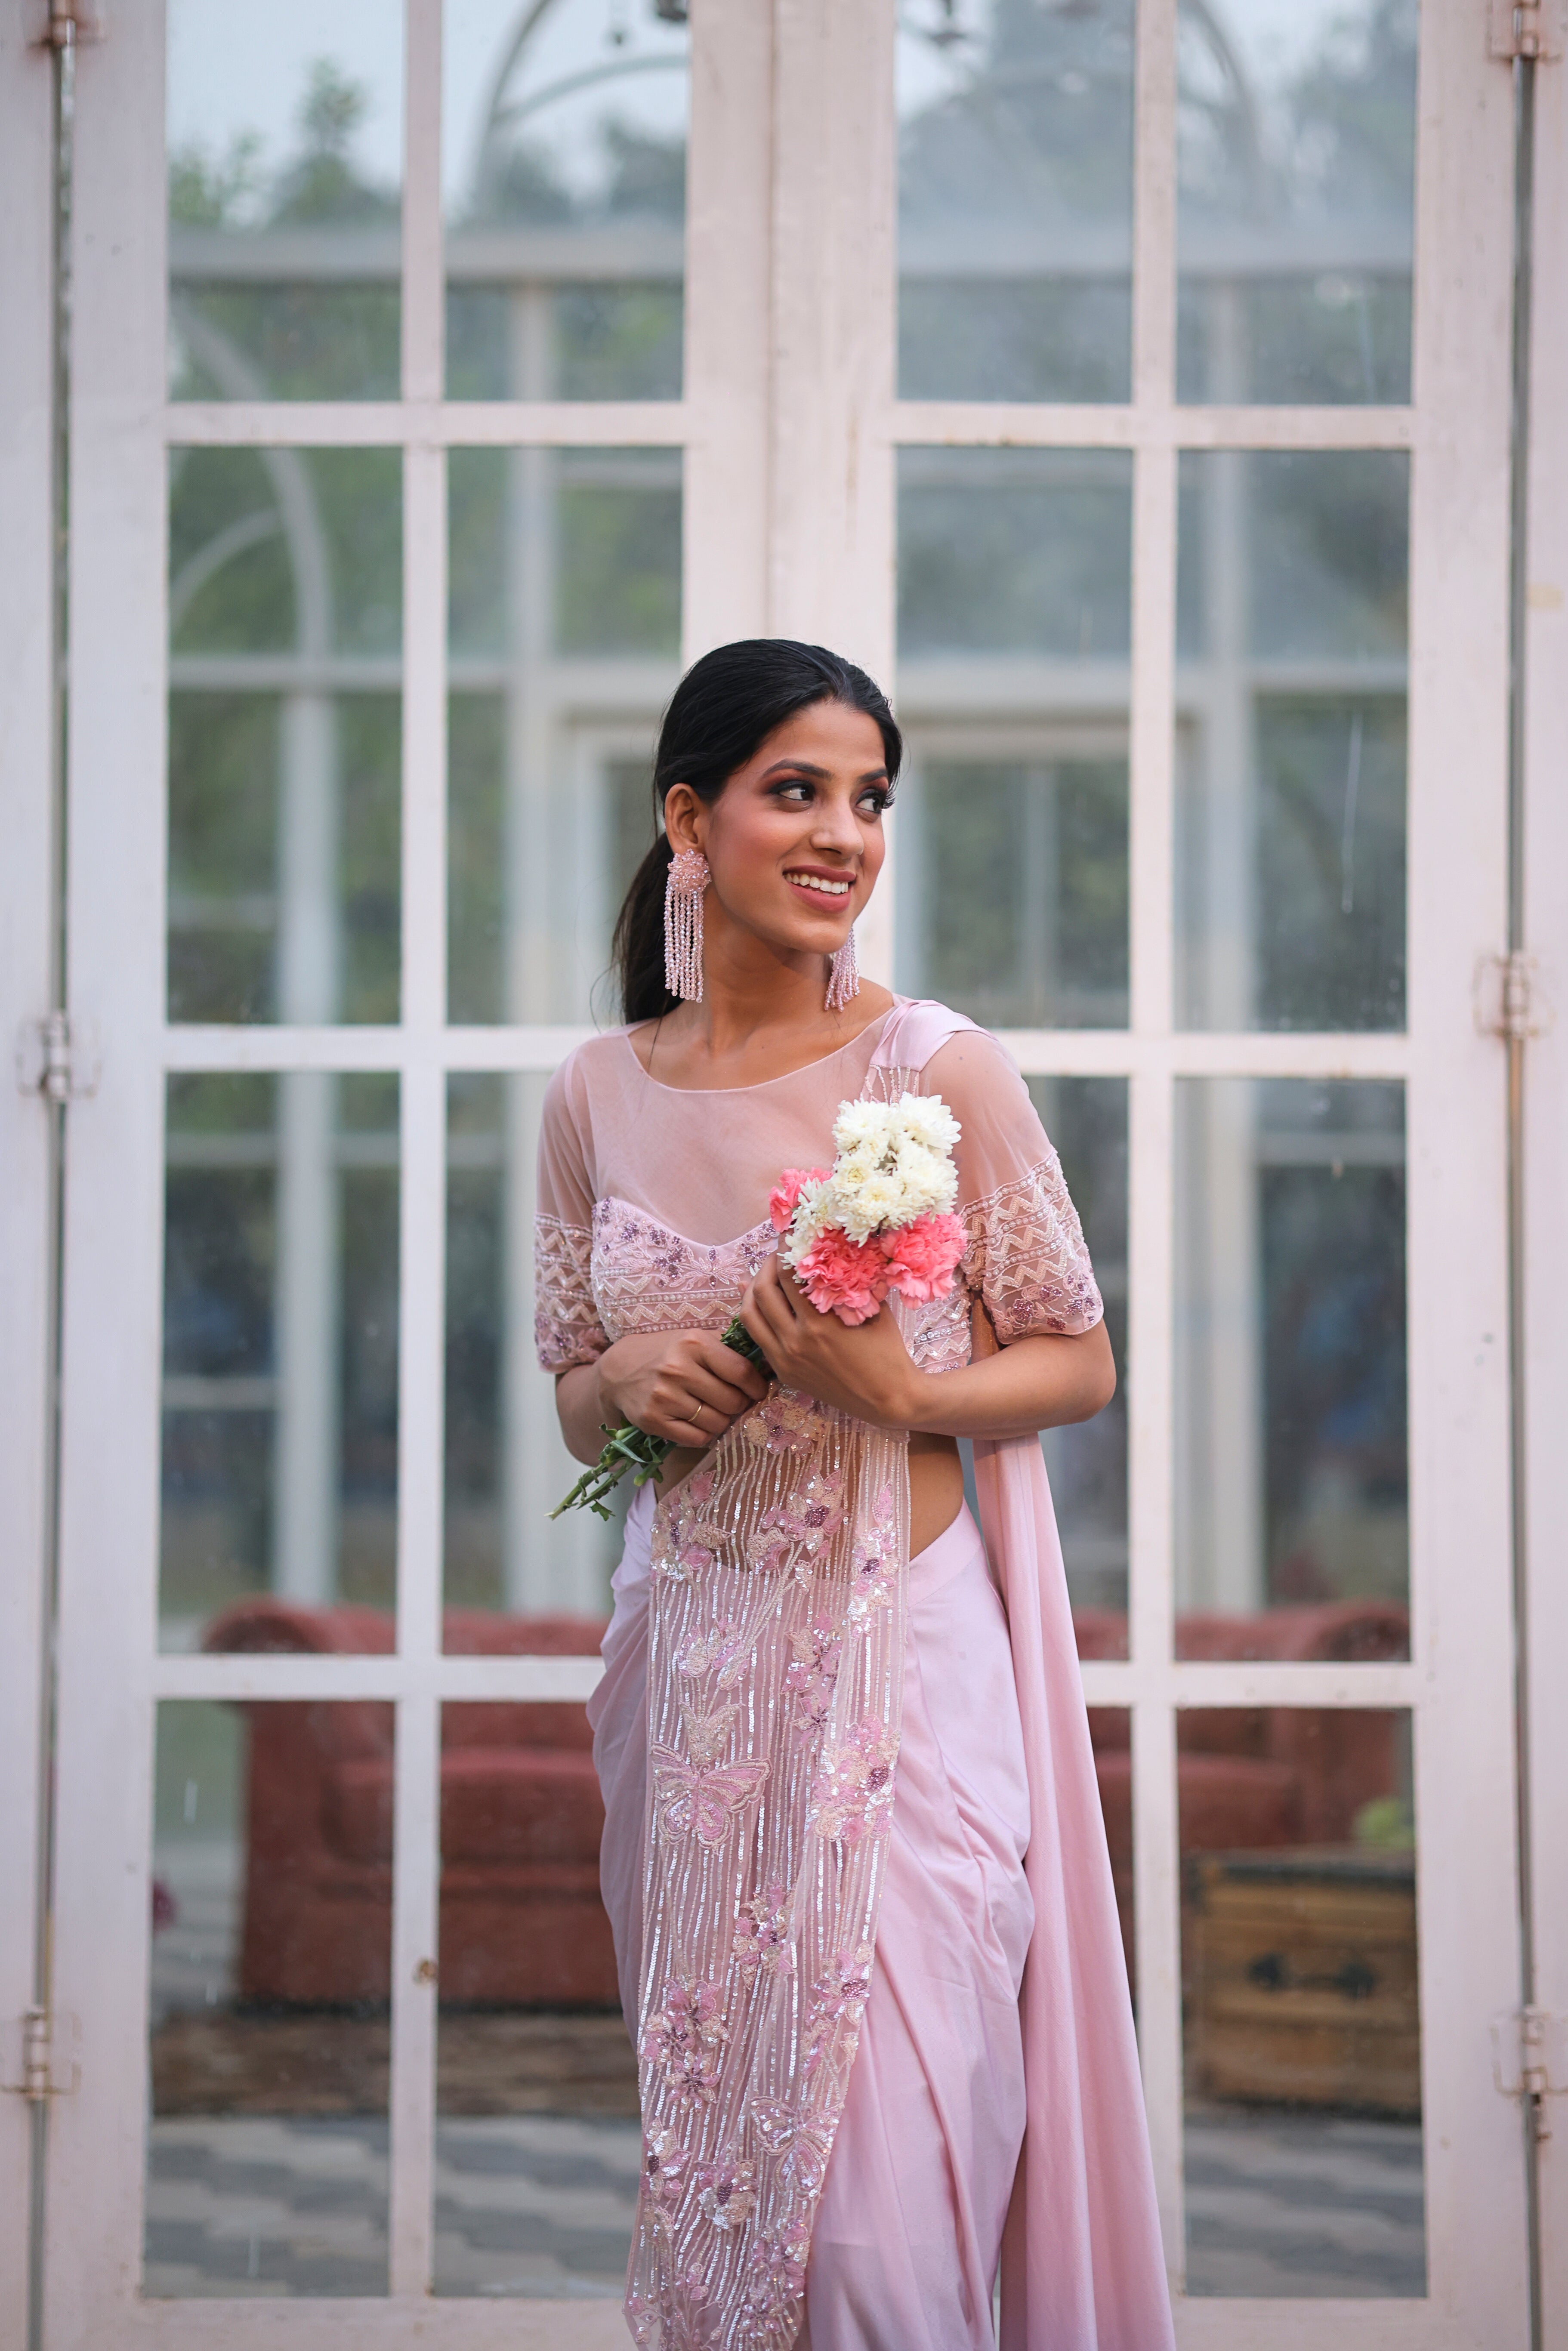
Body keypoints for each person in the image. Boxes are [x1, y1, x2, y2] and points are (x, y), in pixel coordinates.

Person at [535, 640, 1174, 2351]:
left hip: (900, 1690)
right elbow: (568, 1377)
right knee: (732, 2202)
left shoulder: (933, 1072)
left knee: (883, 2244)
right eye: (794, 790)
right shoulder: (593, 1094)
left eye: (867, 797)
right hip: (693, 1685)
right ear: (689, 815)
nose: (841, 832)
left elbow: (1074, 1353)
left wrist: (906, 1396)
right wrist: (619, 1384)